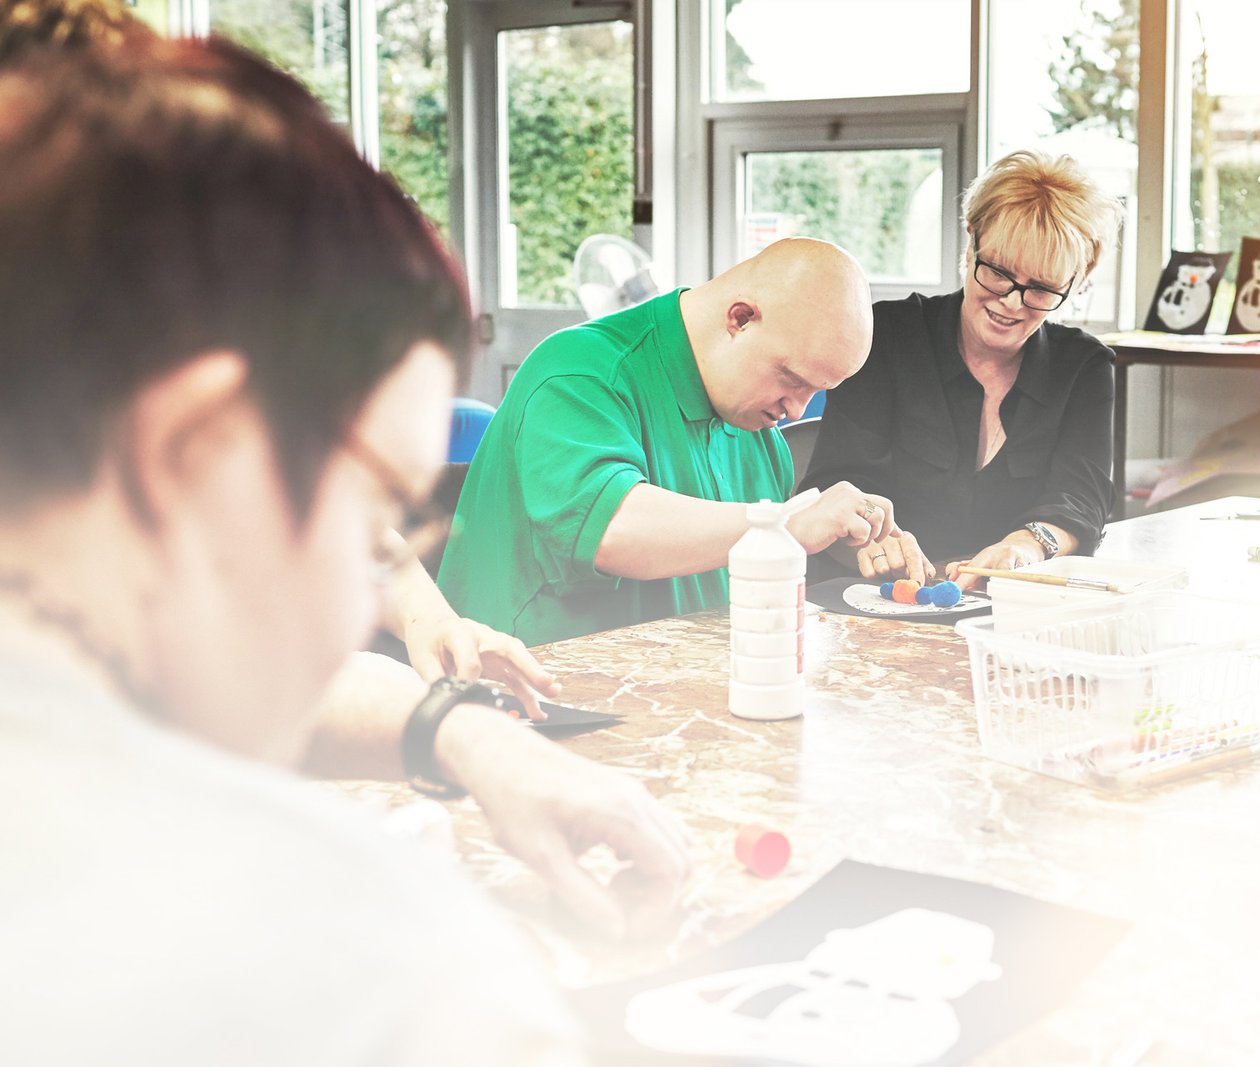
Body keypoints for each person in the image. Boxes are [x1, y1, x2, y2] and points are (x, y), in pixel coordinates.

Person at [0, 38, 674, 1063]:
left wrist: (460, 732)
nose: (374, 590)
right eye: (377, 525)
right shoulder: (376, 971)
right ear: (193, 450)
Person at [439, 238, 914, 645]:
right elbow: (612, 532)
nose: (796, 409)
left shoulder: (758, 435)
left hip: (678, 696)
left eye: (817, 391)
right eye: (791, 378)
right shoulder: (577, 372)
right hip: (525, 706)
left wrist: (844, 541)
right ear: (741, 318)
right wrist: (786, 525)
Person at [799, 150, 1124, 590]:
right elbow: (834, 486)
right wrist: (868, 543)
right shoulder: (886, 337)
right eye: (998, 272)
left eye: (1043, 289)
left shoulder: (1084, 367)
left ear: (1075, 282)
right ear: (971, 242)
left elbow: (1081, 500)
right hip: (870, 600)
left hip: (1007, 604)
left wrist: (1026, 546)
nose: (1011, 303)